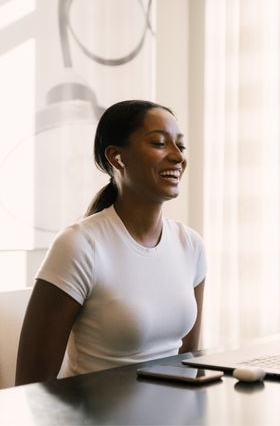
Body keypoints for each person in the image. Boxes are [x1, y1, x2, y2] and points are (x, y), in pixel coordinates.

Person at [15, 100, 206, 385]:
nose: (178, 157)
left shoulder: (190, 245)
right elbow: (31, 384)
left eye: (181, 146)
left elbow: (191, 361)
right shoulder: (79, 245)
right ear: (117, 157)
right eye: (159, 143)